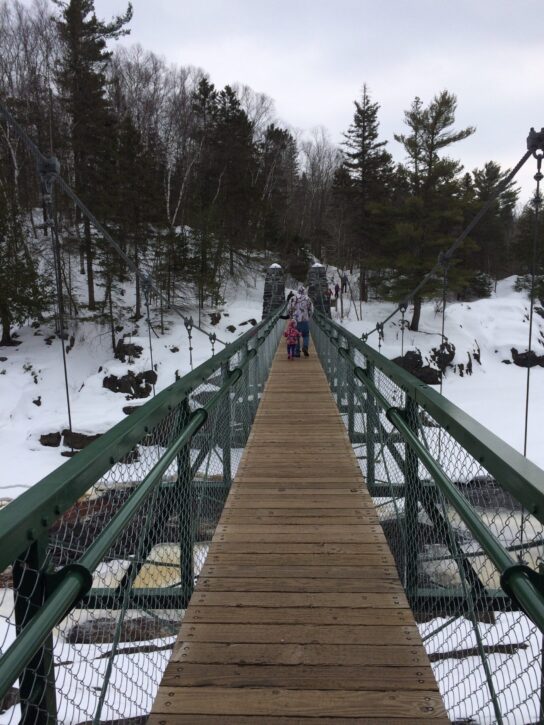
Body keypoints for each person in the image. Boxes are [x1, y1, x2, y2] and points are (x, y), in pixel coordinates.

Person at [288, 286, 314, 357]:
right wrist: (309, 317)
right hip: (305, 320)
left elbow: (289, 309)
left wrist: (291, 317)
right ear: (304, 291)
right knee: (306, 335)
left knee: (296, 336)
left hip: (295, 321)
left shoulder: (293, 298)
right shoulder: (308, 299)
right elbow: (311, 310)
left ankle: (297, 352)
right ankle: (305, 347)